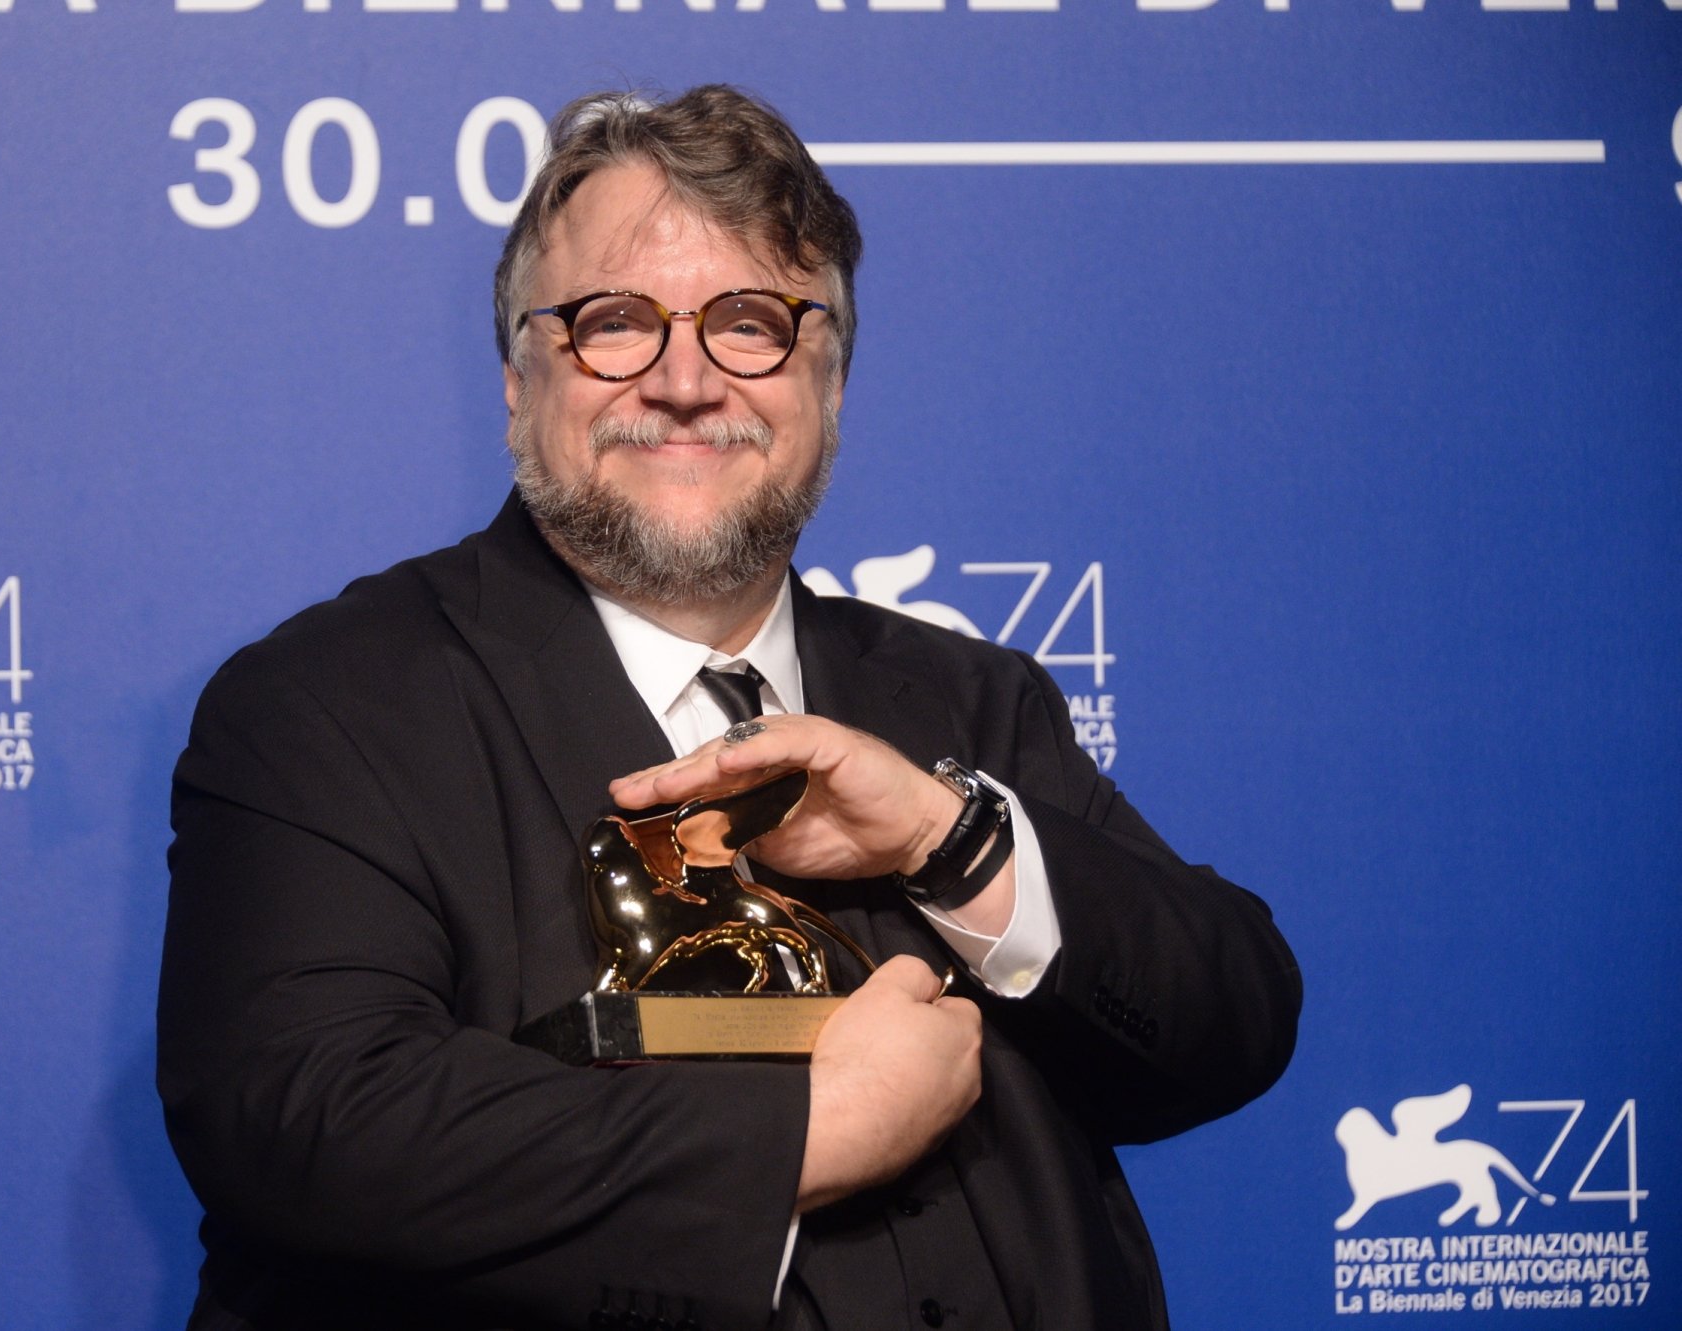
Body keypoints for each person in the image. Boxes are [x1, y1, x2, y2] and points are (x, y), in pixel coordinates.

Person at [158, 84, 1301, 1331]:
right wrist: (802, 1134)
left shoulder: (971, 696)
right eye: (614, 323)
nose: (687, 380)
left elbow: (1228, 1022)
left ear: (833, 385)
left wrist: (947, 838)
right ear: (514, 378)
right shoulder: (327, 704)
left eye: (750, 322)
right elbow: (303, 1118)